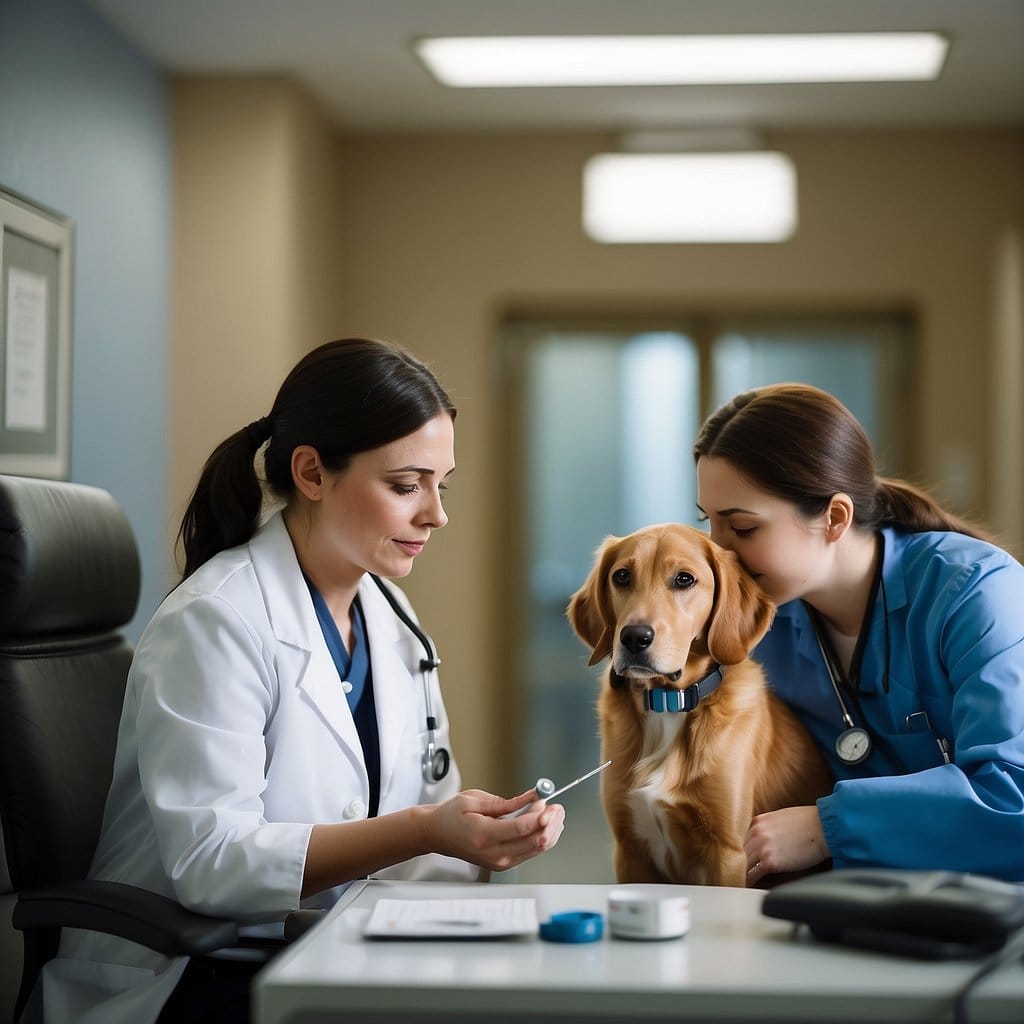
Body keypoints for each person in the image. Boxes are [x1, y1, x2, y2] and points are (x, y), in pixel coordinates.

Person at [38, 338, 564, 1024]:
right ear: (312, 473)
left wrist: (486, 843)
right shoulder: (216, 621)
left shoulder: (391, 616)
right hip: (196, 974)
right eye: (407, 486)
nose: (436, 514)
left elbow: (429, 819)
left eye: (442, 484)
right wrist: (423, 830)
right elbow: (213, 861)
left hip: (328, 951)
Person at [693, 382, 1024, 886]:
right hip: (855, 910)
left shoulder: (976, 593)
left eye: (741, 529)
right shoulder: (757, 622)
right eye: (708, 525)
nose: (718, 555)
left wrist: (828, 828)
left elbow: (1013, 797)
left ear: (835, 517)